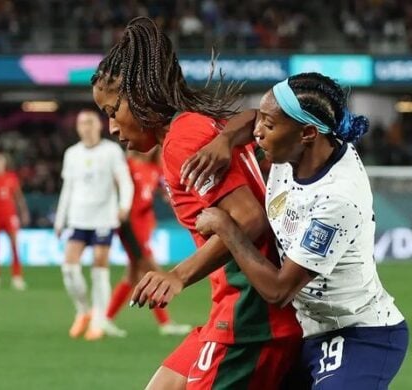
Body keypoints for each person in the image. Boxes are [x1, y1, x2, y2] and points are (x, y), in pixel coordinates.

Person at [92, 16, 301, 390]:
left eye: (112, 112)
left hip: (249, 321)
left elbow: (250, 221)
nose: (111, 128)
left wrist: (178, 275)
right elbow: (256, 116)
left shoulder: (181, 141)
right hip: (233, 311)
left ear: (140, 95)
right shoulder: (196, 125)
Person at [185, 72, 409, 389]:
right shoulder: (300, 148)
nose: (257, 133)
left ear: (306, 133)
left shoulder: (337, 198)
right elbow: (251, 120)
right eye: (261, 121)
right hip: (305, 330)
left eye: (269, 126)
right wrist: (224, 140)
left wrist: (226, 226)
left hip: (358, 333)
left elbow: (279, 290)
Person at [54, 109, 134, 341]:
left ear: (98, 125)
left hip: (103, 218)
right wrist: (60, 219)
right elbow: (67, 188)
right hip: (78, 217)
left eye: (89, 122)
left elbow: (125, 181)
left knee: (100, 266)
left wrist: (124, 205)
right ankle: (83, 311)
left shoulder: (111, 151)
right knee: (69, 268)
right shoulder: (72, 154)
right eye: (81, 123)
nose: (85, 127)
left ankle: (99, 319)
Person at [105, 148, 192, 337]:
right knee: (153, 271)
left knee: (133, 275)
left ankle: (106, 318)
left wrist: (169, 195)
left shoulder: (154, 166)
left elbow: (166, 185)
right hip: (130, 225)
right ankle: (165, 322)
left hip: (144, 224)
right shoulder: (126, 165)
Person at [0, 151, 30, 291]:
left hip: (9, 216)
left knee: (14, 247)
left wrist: (23, 213)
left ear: (4, 163)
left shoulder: (11, 178)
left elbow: (18, 197)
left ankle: (17, 277)